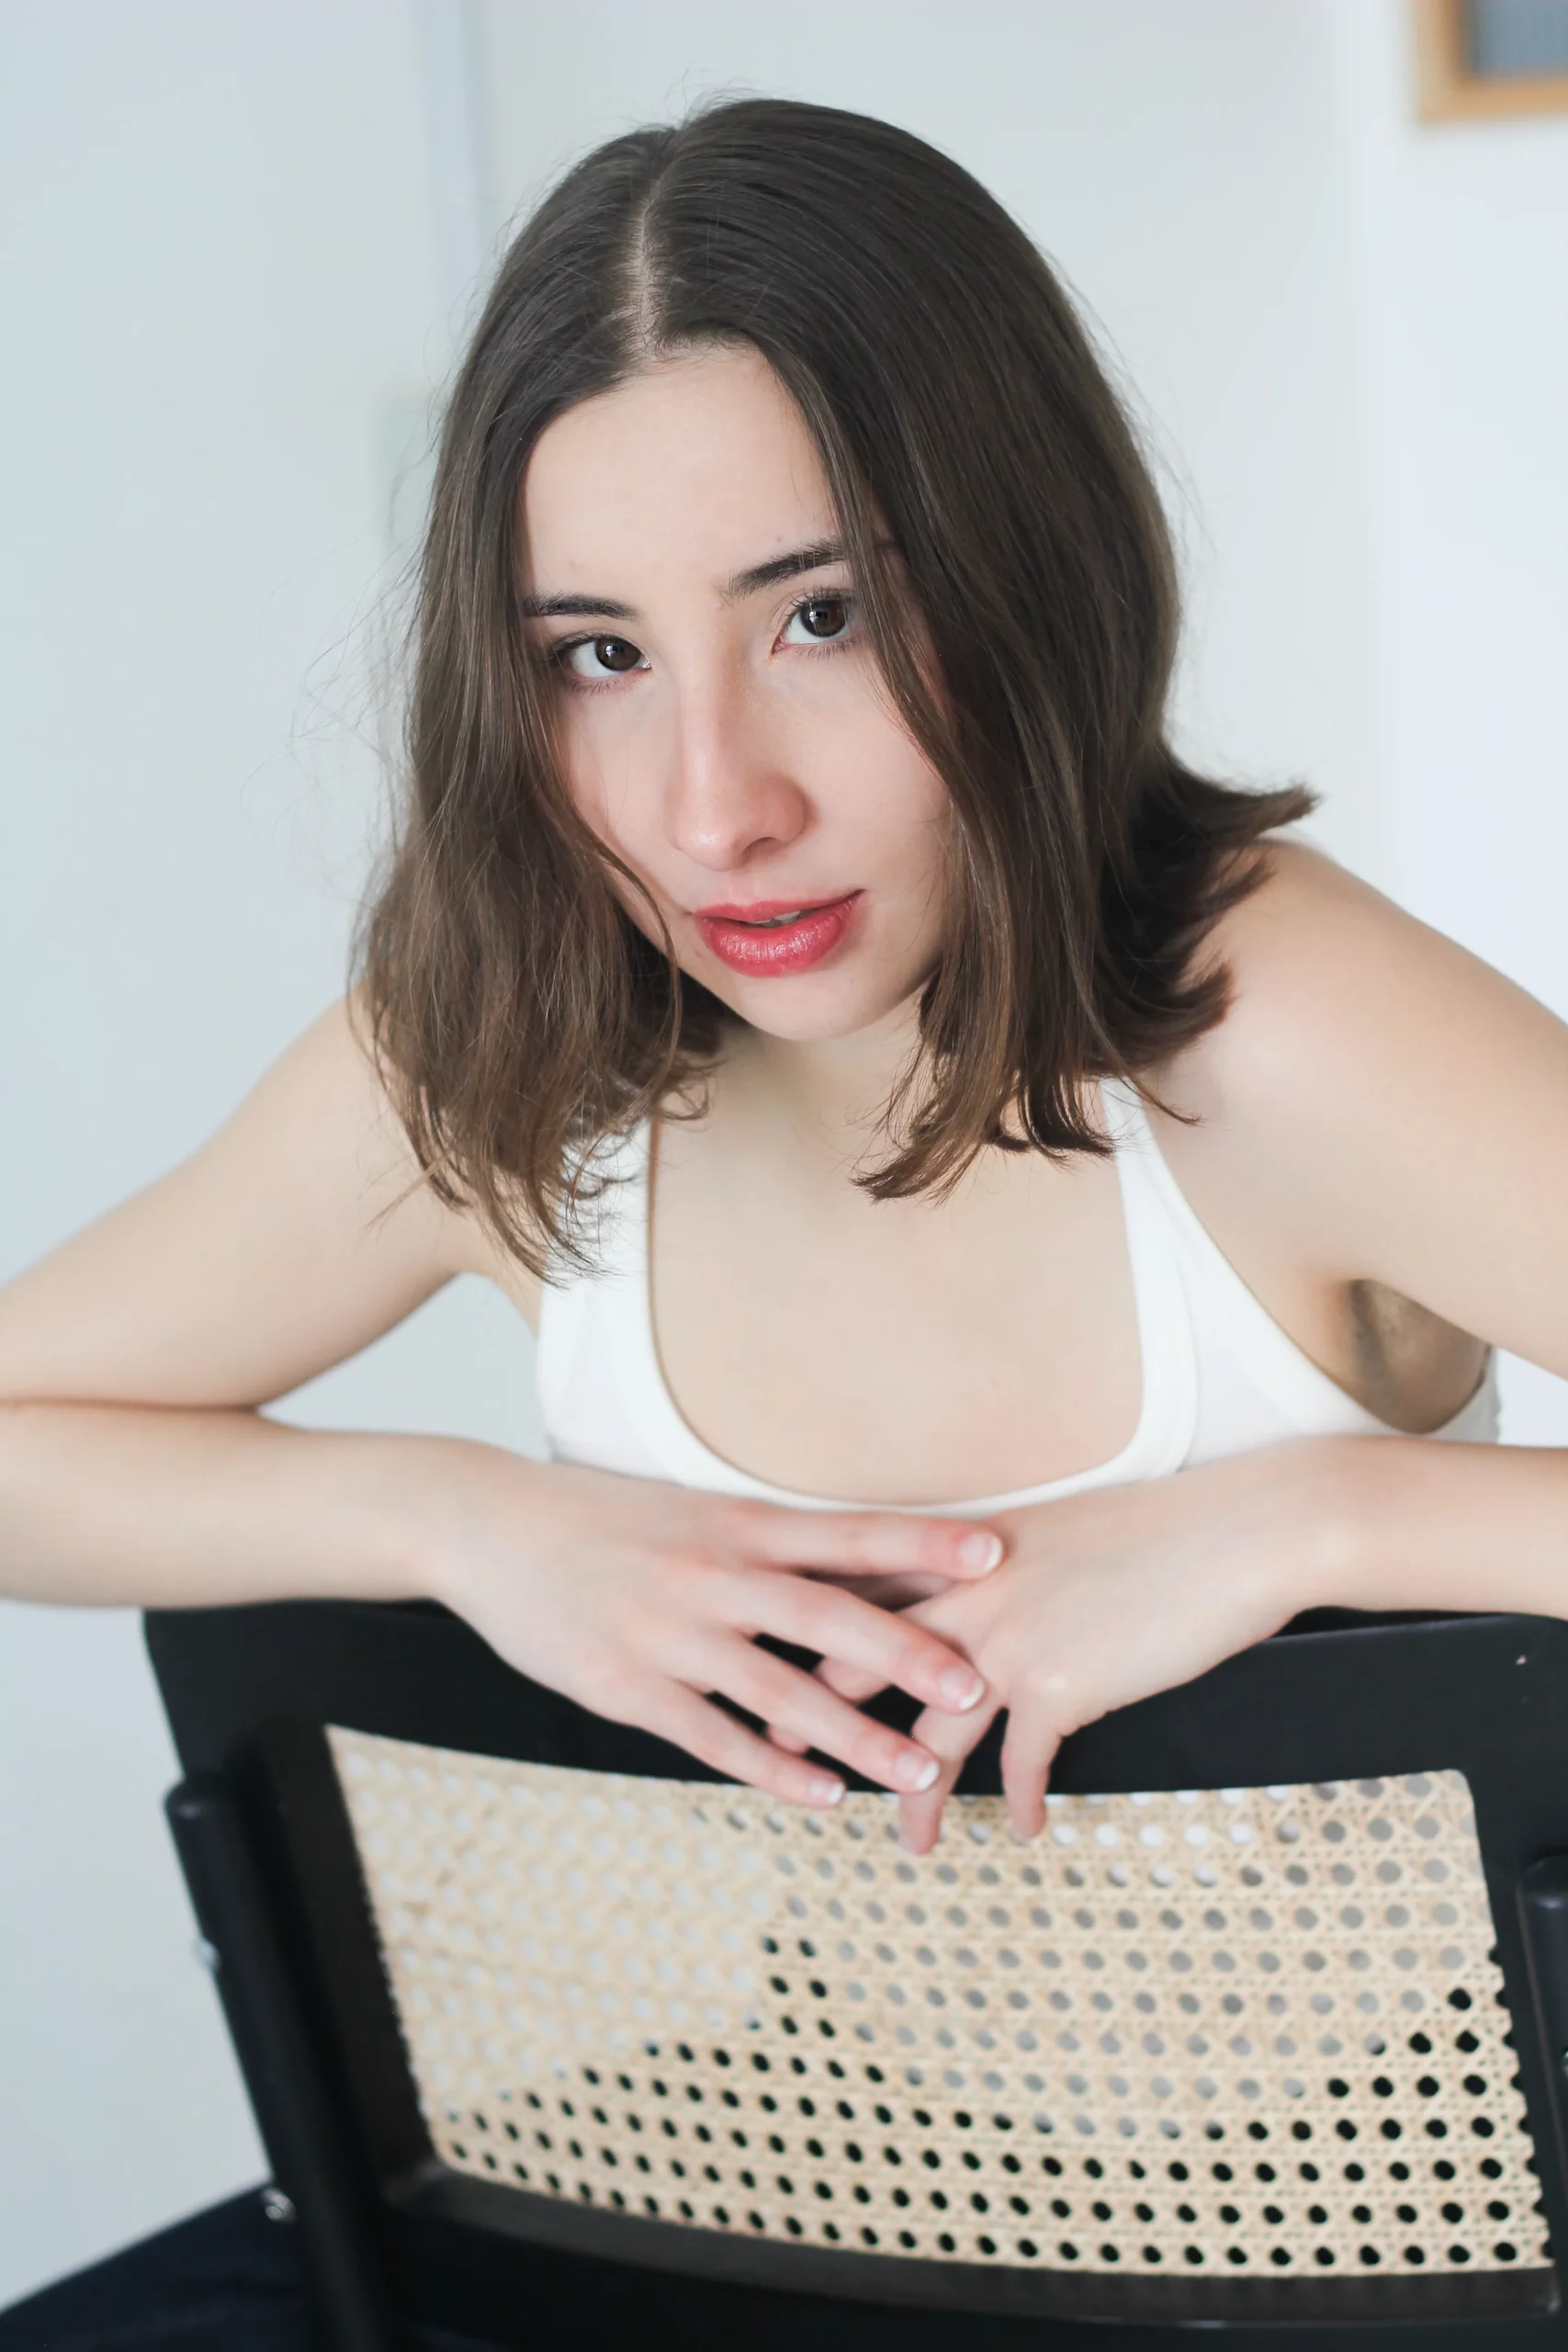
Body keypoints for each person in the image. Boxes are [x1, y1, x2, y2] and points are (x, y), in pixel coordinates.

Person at [2, 96, 1564, 2347]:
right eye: (596, 654)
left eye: (819, 616)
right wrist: (463, 1521)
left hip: (1429, 2246)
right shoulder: (502, 1069)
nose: (710, 803)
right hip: (818, 2208)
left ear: (1025, 578)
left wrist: (1327, 1519)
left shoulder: (1277, 1029)